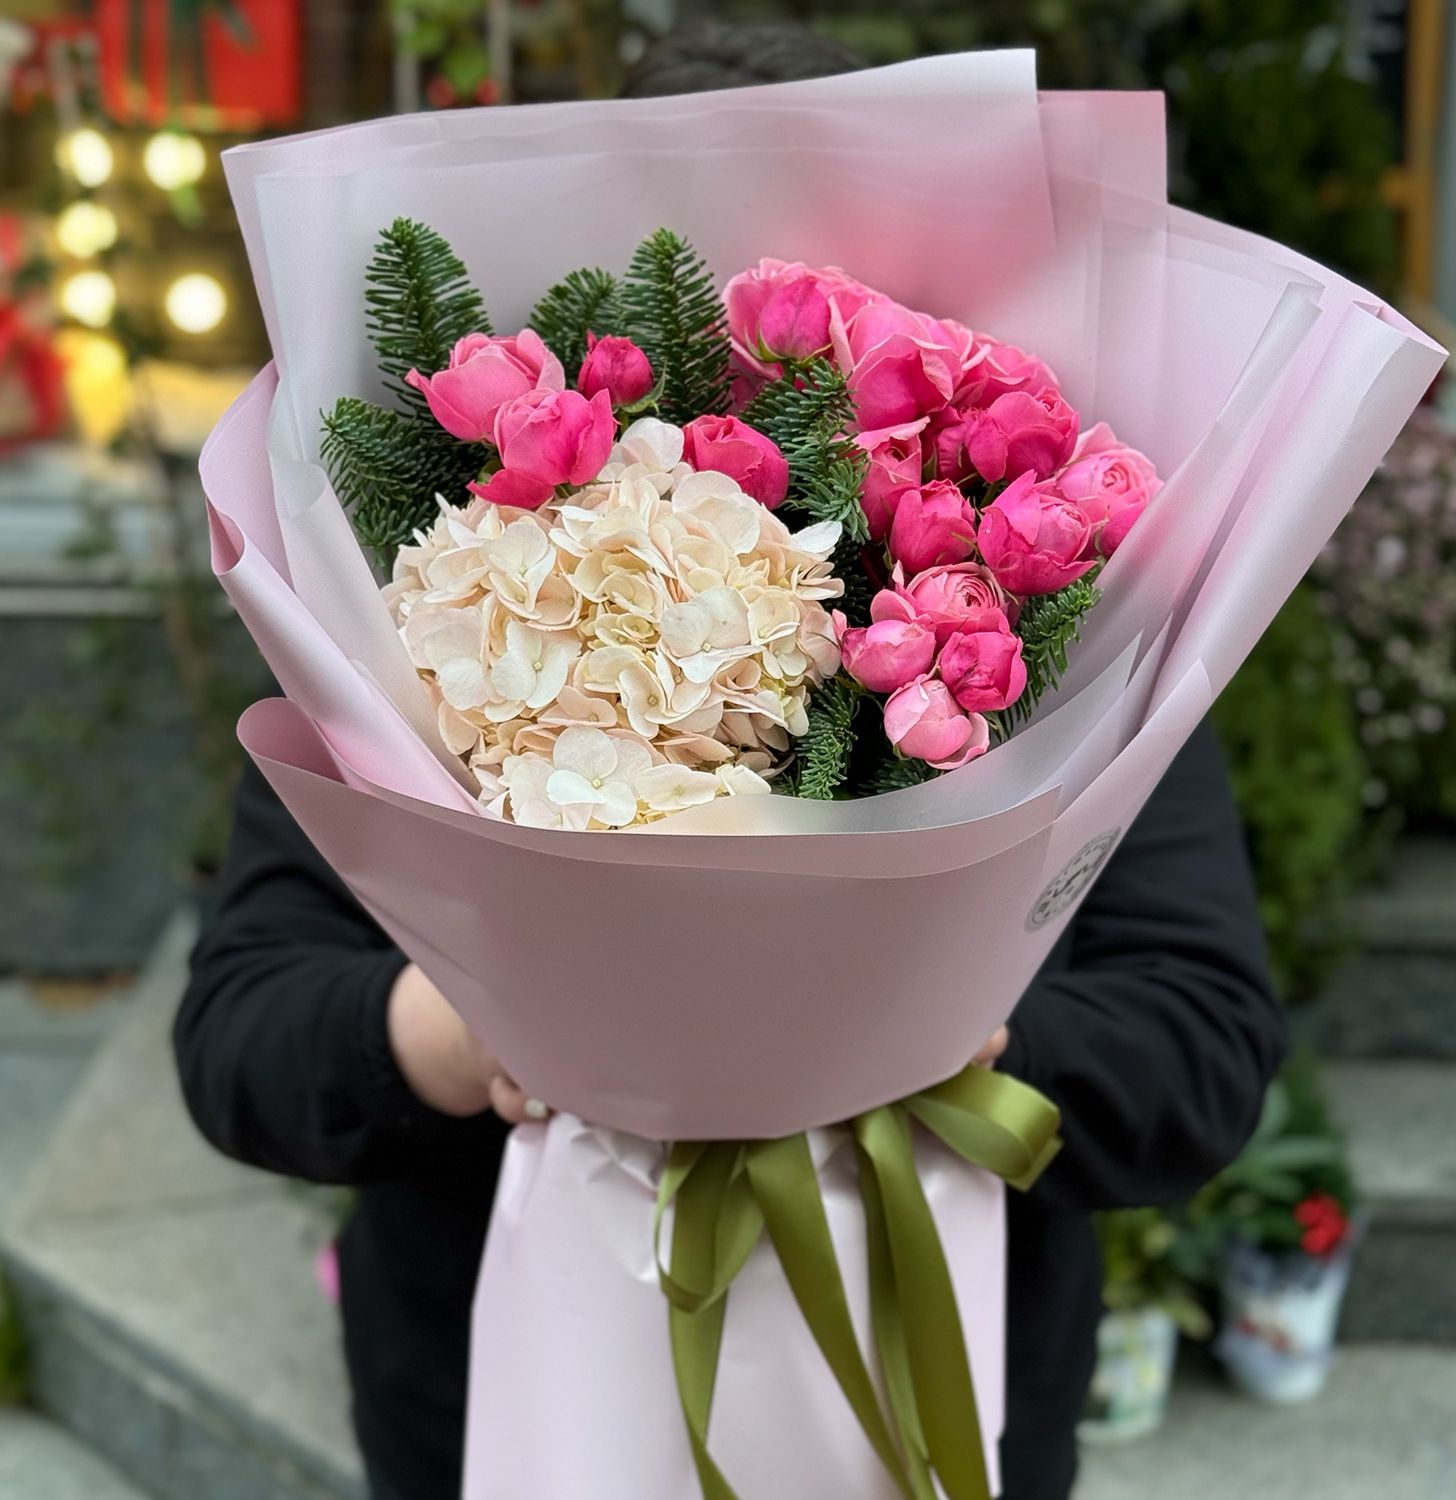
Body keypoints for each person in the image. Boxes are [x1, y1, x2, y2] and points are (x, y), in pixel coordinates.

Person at [175, 23, 1286, 1500]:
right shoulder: (432, 619)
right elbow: (239, 1037)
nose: (774, 379)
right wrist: (458, 1031)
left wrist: (952, 1035)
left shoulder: (1061, 639)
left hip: (939, 1407)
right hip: (491, 1410)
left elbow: (1204, 1049)